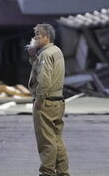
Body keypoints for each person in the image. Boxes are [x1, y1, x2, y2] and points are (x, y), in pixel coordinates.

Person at [27, 23, 69, 176]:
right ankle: (63, 172)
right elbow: (42, 69)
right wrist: (33, 56)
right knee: (57, 139)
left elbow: (44, 79)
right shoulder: (56, 51)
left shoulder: (45, 54)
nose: (35, 38)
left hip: (46, 101)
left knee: (46, 141)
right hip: (58, 101)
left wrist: (39, 99)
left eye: (38, 35)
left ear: (47, 37)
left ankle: (47, 172)